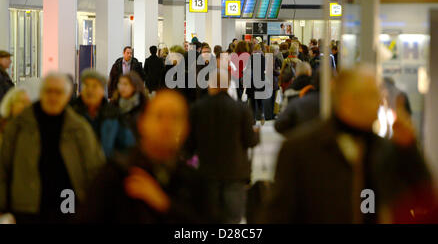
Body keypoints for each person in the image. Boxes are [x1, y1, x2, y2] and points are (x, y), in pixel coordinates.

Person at [266, 66, 433, 223]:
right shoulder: (300, 150)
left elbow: (424, 197)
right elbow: (279, 214)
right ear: (348, 101)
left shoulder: (386, 149)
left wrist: (410, 150)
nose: (380, 102)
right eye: (371, 95)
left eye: (379, 95)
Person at [78, 90, 216, 223]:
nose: (167, 125)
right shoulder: (118, 173)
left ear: (186, 128)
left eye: (176, 117)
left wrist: (166, 204)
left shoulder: (192, 179)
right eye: (159, 116)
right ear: (142, 122)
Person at [0, 72, 105, 224]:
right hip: (27, 204)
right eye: (49, 91)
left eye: (59, 92)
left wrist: (94, 206)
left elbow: (94, 168)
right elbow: (4, 167)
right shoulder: (20, 125)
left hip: (67, 201)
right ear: (41, 93)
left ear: (68, 95)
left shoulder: (79, 128)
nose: (53, 97)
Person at [185, 69, 259, 223]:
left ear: (210, 86)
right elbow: (250, 141)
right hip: (235, 172)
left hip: (207, 171)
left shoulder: (198, 109)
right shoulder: (241, 109)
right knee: (232, 218)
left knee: (210, 216)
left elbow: (189, 145)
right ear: (228, 86)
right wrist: (256, 134)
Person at [71, 69, 136, 158]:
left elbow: (128, 146)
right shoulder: (72, 113)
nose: (90, 90)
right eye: (86, 85)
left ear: (102, 91)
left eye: (94, 86)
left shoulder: (113, 114)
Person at [111, 72, 147, 140]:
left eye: (125, 84)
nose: (121, 87)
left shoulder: (144, 106)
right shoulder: (113, 105)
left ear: (134, 86)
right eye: (120, 83)